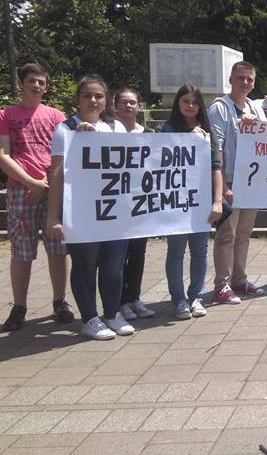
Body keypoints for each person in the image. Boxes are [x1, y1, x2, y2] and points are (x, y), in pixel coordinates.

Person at [46, 75, 132, 340]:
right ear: (78, 99)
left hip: (113, 211)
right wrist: (53, 216)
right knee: (85, 264)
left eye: (98, 96)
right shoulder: (65, 130)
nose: (93, 101)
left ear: (106, 100)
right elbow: (57, 175)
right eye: (87, 96)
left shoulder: (115, 126)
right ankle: (90, 318)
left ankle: (111, 313)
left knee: (113, 266)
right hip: (81, 213)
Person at [0, 62, 74, 331]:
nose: (37, 86)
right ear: (21, 83)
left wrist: (47, 185)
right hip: (22, 189)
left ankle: (59, 301)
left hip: (53, 187)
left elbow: (67, 154)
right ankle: (19, 306)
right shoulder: (6, 115)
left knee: (58, 248)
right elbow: (3, 154)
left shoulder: (56, 116)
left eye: (41, 82)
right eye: (31, 81)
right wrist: (31, 183)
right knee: (21, 251)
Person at [160, 84, 224, 320]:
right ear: (178, 103)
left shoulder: (207, 131)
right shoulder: (166, 129)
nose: (190, 106)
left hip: (200, 201)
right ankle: (178, 299)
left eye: (194, 102)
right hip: (175, 200)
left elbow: (216, 168)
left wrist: (217, 201)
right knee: (175, 251)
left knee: (199, 250)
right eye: (185, 101)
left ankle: (195, 295)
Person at [208, 61, 267, 304]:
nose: (245, 83)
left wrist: (255, 126)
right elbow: (217, 149)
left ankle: (239, 278)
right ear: (231, 79)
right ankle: (221, 284)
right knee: (226, 234)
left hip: (250, 181)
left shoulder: (256, 107)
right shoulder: (219, 108)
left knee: (244, 233)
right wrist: (224, 186)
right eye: (241, 78)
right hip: (230, 179)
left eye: (249, 79)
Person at [113, 87, 156, 321]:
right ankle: (119, 301)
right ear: (115, 105)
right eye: (124, 102)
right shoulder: (108, 133)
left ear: (138, 106)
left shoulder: (148, 132)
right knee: (118, 255)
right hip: (117, 202)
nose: (128, 106)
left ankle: (134, 297)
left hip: (141, 202)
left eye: (132, 103)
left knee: (138, 252)